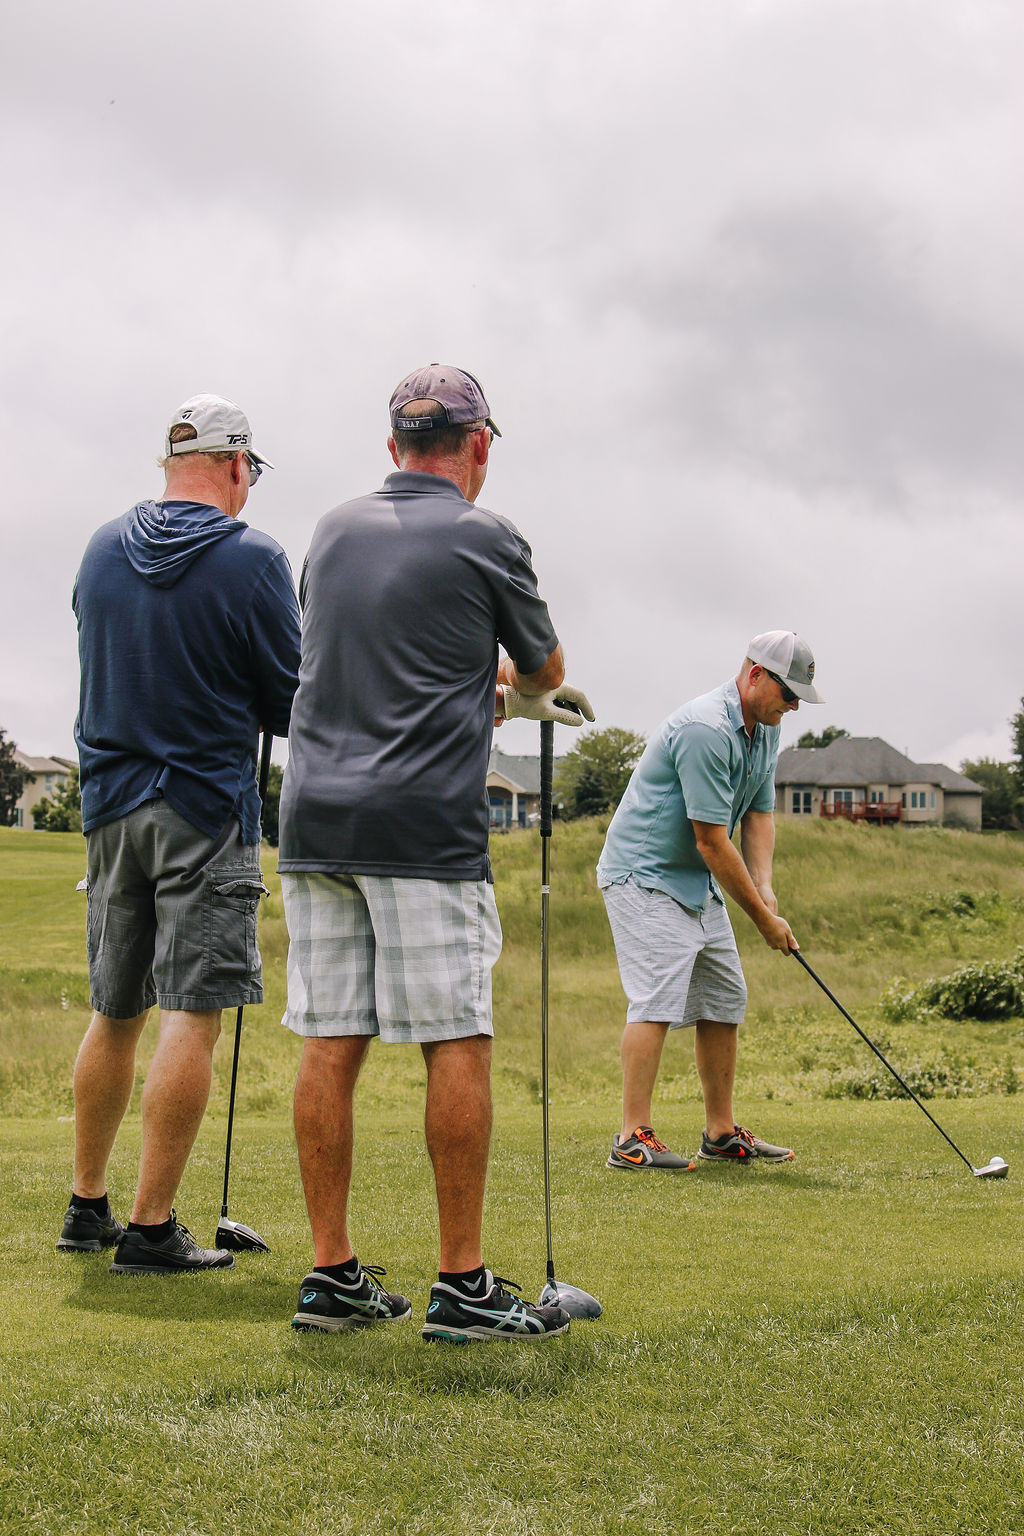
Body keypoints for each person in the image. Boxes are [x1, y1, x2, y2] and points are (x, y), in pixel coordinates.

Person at [279, 363, 592, 1342]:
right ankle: (461, 1285)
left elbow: (374, 655)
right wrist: (515, 689)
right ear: (479, 444)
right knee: (455, 1036)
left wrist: (474, 684)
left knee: (331, 1036)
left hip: (314, 819)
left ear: (393, 446)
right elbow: (545, 666)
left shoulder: (331, 530)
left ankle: (332, 1276)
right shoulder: (487, 534)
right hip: (419, 822)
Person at [58, 394, 301, 1274]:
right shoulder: (254, 557)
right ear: (235, 464)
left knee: (115, 1010)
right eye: (252, 471)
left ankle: (88, 1205)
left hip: (109, 807)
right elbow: (290, 703)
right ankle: (151, 1228)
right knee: (192, 1015)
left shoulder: (99, 548)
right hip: (203, 806)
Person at [597, 631, 822, 1171]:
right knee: (655, 999)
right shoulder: (706, 729)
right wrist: (764, 921)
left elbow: (759, 813)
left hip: (695, 880)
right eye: (789, 693)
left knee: (724, 996)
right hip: (644, 874)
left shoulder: (765, 730)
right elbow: (711, 841)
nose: (793, 706)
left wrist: (765, 888)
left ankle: (720, 1133)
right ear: (756, 675)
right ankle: (631, 1138)